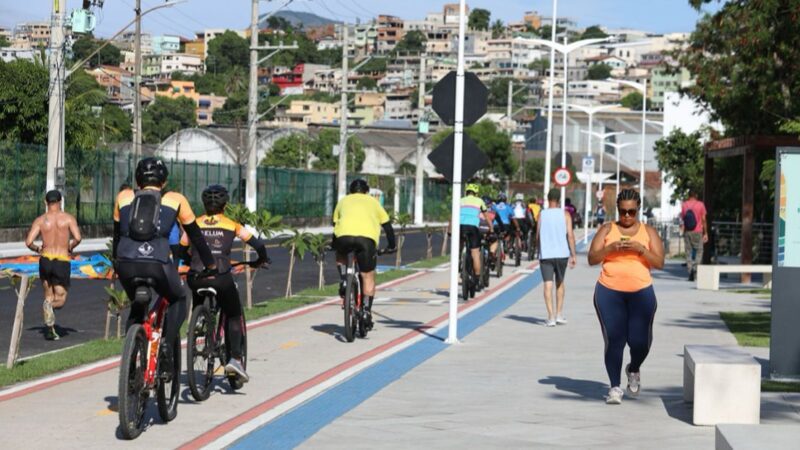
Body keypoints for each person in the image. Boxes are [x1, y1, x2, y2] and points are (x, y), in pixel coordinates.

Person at [113, 157, 217, 381]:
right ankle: (168, 347)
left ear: (138, 180)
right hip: (157, 263)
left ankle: (131, 358)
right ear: (165, 181)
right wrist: (211, 264)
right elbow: (196, 237)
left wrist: (117, 263)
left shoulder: (123, 197)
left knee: (137, 307)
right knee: (179, 298)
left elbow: (116, 235)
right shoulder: (175, 199)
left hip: (126, 263)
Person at [180, 185, 269, 382]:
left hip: (196, 278)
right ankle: (236, 359)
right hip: (220, 277)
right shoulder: (232, 224)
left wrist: (187, 264)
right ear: (225, 205)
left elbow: (181, 248)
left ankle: (199, 322)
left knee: (198, 296)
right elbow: (258, 244)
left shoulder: (193, 224)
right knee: (234, 314)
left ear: (204, 204)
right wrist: (261, 259)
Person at [588, 189, 665, 405]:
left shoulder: (648, 231)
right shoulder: (607, 229)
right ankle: (614, 387)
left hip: (641, 292)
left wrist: (641, 249)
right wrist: (611, 248)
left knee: (640, 342)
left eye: (631, 212)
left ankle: (633, 368)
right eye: (623, 212)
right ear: (618, 210)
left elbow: (659, 262)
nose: (627, 217)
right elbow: (592, 258)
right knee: (615, 339)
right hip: (608, 291)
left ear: (638, 209)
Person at [332, 179, 396, 330]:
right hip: (366, 241)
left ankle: (344, 279)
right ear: (367, 191)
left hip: (344, 238)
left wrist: (335, 244)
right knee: (367, 275)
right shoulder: (373, 202)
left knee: (340, 255)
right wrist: (391, 246)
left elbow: (335, 224)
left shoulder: (343, 201)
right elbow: (388, 227)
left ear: (351, 191)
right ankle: (366, 310)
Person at [25, 190, 82, 340]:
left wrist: (38, 249)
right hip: (61, 260)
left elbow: (29, 242)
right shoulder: (68, 218)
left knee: (48, 296)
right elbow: (78, 237)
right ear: (60, 201)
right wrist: (70, 247)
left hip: (45, 260)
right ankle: (50, 308)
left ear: (46, 202)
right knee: (61, 298)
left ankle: (50, 330)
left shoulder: (40, 220)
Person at [536, 189, 577, 327]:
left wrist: (538, 250)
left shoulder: (542, 214)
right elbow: (570, 235)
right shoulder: (565, 214)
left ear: (548, 199)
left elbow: (537, 236)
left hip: (546, 254)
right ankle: (559, 314)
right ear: (559, 199)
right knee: (560, 282)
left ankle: (551, 317)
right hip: (562, 254)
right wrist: (573, 254)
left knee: (548, 284)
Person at [459, 184, 492, 290]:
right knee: (475, 254)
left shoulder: (460, 200)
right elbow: (486, 216)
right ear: (476, 193)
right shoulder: (479, 201)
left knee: (459, 245)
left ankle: (459, 260)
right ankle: (477, 279)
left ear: (467, 191)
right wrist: (491, 228)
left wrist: (450, 231)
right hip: (473, 228)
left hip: (461, 227)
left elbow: (452, 216)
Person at [681, 191, 708, 281]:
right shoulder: (701, 205)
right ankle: (695, 269)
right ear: (696, 196)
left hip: (687, 231)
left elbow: (683, 219)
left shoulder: (684, 205)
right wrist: (705, 233)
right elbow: (704, 219)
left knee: (688, 252)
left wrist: (683, 230)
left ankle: (690, 272)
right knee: (699, 251)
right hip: (698, 231)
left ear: (689, 196)